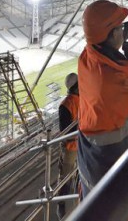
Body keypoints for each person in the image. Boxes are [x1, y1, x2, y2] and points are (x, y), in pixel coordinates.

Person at [78, 0, 128, 220]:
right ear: (113, 35)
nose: (124, 31)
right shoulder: (111, 84)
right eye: (121, 28)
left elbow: (109, 38)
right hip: (109, 164)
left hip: (89, 158)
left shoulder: (88, 55)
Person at [57, 72, 79, 219]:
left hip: (71, 148)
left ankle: (62, 207)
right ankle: (65, 205)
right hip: (81, 145)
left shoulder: (65, 105)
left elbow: (65, 132)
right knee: (73, 176)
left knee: (65, 178)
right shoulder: (82, 100)